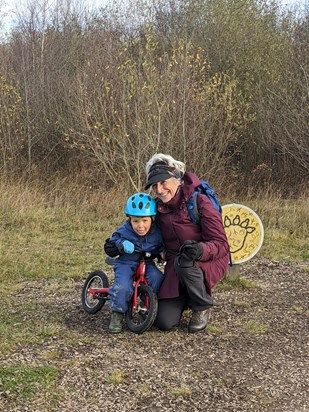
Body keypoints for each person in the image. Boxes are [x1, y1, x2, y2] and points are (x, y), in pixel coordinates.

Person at [144, 154, 230, 333]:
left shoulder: (199, 202)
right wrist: (117, 242)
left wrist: (200, 250)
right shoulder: (157, 207)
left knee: (184, 262)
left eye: (163, 182)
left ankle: (201, 305)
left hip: (206, 260)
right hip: (176, 265)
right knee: (164, 322)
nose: (159, 190)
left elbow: (221, 244)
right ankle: (187, 296)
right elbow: (137, 225)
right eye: (154, 185)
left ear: (176, 179)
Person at [104, 192, 164, 333]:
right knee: (123, 286)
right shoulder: (125, 230)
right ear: (130, 219)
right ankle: (117, 313)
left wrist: (162, 253)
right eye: (135, 221)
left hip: (146, 262)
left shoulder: (157, 233)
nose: (140, 226)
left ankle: (147, 302)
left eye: (144, 220)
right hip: (126, 261)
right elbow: (112, 241)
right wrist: (121, 244)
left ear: (152, 219)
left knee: (157, 277)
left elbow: (161, 245)